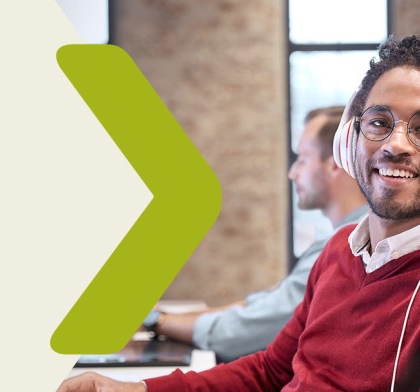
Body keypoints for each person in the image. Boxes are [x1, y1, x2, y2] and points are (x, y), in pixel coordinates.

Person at [58, 35, 420, 392]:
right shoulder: (338, 254)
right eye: (378, 123)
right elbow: (270, 369)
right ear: (351, 141)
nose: (394, 145)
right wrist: (134, 389)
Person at [141, 106, 368, 362]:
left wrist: (154, 320)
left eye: (302, 159)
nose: (292, 173)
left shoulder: (350, 245)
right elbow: (262, 306)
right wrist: (164, 316)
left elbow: (246, 332)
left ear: (337, 164)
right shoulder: (340, 237)